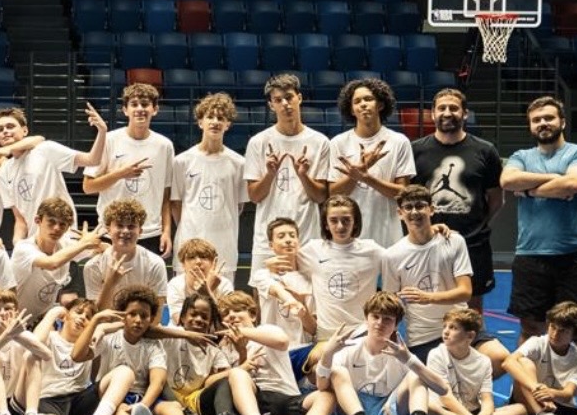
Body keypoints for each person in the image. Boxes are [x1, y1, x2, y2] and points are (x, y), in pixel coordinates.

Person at [500, 95, 577, 409]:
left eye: (548, 117)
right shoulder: (520, 155)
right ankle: (524, 394)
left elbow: (573, 185)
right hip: (532, 255)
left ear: (562, 122)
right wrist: (555, 181)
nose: (543, 123)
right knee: (529, 329)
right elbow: (507, 180)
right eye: (536, 120)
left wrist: (530, 189)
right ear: (530, 126)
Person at [70, 284, 226, 415]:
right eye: (132, 314)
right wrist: (97, 322)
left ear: (151, 320)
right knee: (122, 396)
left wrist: (142, 406)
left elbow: (157, 382)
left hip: (141, 399)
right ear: (122, 316)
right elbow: (77, 356)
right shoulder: (109, 337)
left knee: (172, 406)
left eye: (144, 316)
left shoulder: (154, 345)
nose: (138, 320)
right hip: (110, 398)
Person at [314, 290, 450, 415]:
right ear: (366, 319)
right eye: (375, 317)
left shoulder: (401, 354)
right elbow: (321, 386)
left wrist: (410, 360)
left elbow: (443, 389)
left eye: (387, 319)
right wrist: (327, 354)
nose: (380, 323)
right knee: (337, 371)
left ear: (396, 325)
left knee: (416, 374)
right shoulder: (349, 348)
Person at [410, 88, 503, 312]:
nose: (447, 112)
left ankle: (470, 347)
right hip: (428, 243)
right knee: (426, 307)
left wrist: (476, 224)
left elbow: (496, 199)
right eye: (441, 108)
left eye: (453, 108)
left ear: (465, 114)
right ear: (432, 114)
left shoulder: (485, 151)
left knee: (472, 310)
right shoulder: (416, 150)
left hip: (473, 243)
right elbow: (409, 197)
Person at [216, 291, 331, 415]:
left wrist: (243, 332)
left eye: (237, 310)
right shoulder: (225, 348)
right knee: (236, 373)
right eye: (226, 314)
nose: (231, 316)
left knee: (326, 395)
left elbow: (281, 341)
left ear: (253, 315)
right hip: (260, 403)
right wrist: (241, 353)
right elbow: (229, 384)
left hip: (289, 399)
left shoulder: (267, 329)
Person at [245, 74, 330, 274]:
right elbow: (254, 196)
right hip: (266, 239)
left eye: (289, 97)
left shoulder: (320, 142)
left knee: (308, 300)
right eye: (278, 100)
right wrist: (270, 174)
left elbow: (320, 196)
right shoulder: (258, 142)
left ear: (299, 98)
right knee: (264, 299)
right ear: (271, 105)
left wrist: (303, 176)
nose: (285, 104)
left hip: (307, 237)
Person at [381, 185, 473, 363]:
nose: (414, 212)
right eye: (408, 207)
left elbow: (465, 292)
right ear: (400, 213)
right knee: (437, 379)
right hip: (422, 336)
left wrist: (428, 297)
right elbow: (391, 304)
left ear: (431, 209)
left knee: (498, 357)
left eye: (420, 206)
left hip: (459, 326)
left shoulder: (454, 241)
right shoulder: (392, 255)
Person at [83, 83, 175, 256]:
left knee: (146, 284)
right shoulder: (109, 140)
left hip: (149, 232)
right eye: (134, 104)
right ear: (125, 110)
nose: (140, 109)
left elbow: (166, 195)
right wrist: (120, 174)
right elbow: (88, 186)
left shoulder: (165, 146)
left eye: (145, 104)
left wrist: (167, 231)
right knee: (108, 282)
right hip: (111, 231)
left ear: (155, 109)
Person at [0, 103, 107, 243]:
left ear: (25, 130)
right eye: (0, 129)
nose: (5, 131)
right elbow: (20, 220)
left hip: (62, 236)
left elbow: (92, 160)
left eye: (10, 126)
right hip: (35, 242)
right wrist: (18, 244)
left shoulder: (45, 149)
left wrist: (102, 131)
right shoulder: (4, 172)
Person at [328, 78, 414, 248]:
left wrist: (366, 178)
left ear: (381, 105)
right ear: (351, 110)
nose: (363, 104)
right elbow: (332, 194)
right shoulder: (338, 143)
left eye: (368, 99)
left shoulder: (399, 141)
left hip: (389, 236)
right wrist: (354, 177)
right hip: (350, 237)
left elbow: (403, 194)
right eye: (357, 101)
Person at [170, 92, 246, 276]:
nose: (215, 122)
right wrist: (193, 226)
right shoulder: (182, 161)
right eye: (209, 116)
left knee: (222, 301)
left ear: (228, 124)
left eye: (221, 118)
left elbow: (239, 206)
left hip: (224, 245)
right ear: (200, 122)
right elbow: (175, 203)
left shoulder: (238, 163)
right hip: (190, 242)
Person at [425, 307, 528, 415]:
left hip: (473, 412)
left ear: (470, 336)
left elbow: (487, 399)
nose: (446, 332)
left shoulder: (483, 361)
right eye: (445, 327)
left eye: (453, 328)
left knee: (521, 410)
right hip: (446, 409)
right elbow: (446, 398)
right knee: (428, 406)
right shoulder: (436, 354)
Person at [297, 195, 384, 340]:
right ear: (325, 224)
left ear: (355, 222)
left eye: (346, 220)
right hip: (326, 333)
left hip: (362, 332)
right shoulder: (312, 250)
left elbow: (400, 259)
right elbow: (286, 263)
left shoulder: (372, 251)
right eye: (333, 220)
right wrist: (273, 262)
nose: (340, 226)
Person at [10, 198, 106, 317]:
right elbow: (52, 263)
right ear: (38, 220)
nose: (57, 228)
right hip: (13, 318)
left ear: (67, 228)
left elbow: (105, 249)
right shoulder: (23, 248)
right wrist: (84, 243)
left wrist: (95, 242)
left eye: (62, 224)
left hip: (41, 319)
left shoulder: (64, 244)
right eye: (51, 222)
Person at [247, 217, 316, 377]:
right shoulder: (262, 274)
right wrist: (290, 299)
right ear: (271, 245)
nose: (288, 240)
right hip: (271, 351)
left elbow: (313, 329)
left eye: (292, 235)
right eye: (281, 236)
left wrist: (302, 308)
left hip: (301, 351)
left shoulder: (310, 280)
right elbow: (275, 289)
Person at [82, 198, 169, 309]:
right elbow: (96, 313)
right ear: (108, 230)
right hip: (106, 324)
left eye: (131, 226)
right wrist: (110, 282)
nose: (125, 231)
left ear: (140, 231)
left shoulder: (155, 263)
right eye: (119, 225)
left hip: (141, 324)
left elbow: (156, 315)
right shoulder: (93, 266)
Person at [165, 238, 233, 325]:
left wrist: (207, 292)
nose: (198, 262)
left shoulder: (224, 284)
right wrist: (207, 290)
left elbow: (225, 322)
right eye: (191, 258)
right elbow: (179, 321)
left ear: (213, 263)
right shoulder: (175, 284)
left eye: (204, 257)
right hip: (182, 334)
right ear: (183, 264)